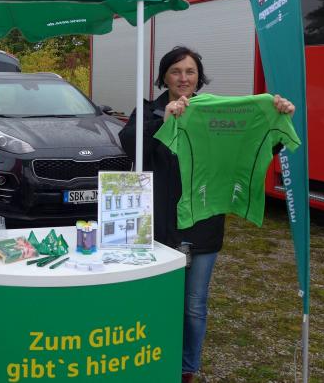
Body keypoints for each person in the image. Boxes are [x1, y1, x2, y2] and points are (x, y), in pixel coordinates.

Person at [118, 46, 294, 383]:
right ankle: (153, 361)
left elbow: (248, 144)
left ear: (199, 77)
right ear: (164, 76)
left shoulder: (213, 115)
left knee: (194, 304)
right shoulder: (148, 111)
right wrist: (163, 120)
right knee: (156, 301)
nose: (183, 78)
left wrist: (277, 117)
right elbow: (129, 144)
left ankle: (186, 369)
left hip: (202, 225)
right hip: (156, 226)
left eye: (190, 72)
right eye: (175, 71)